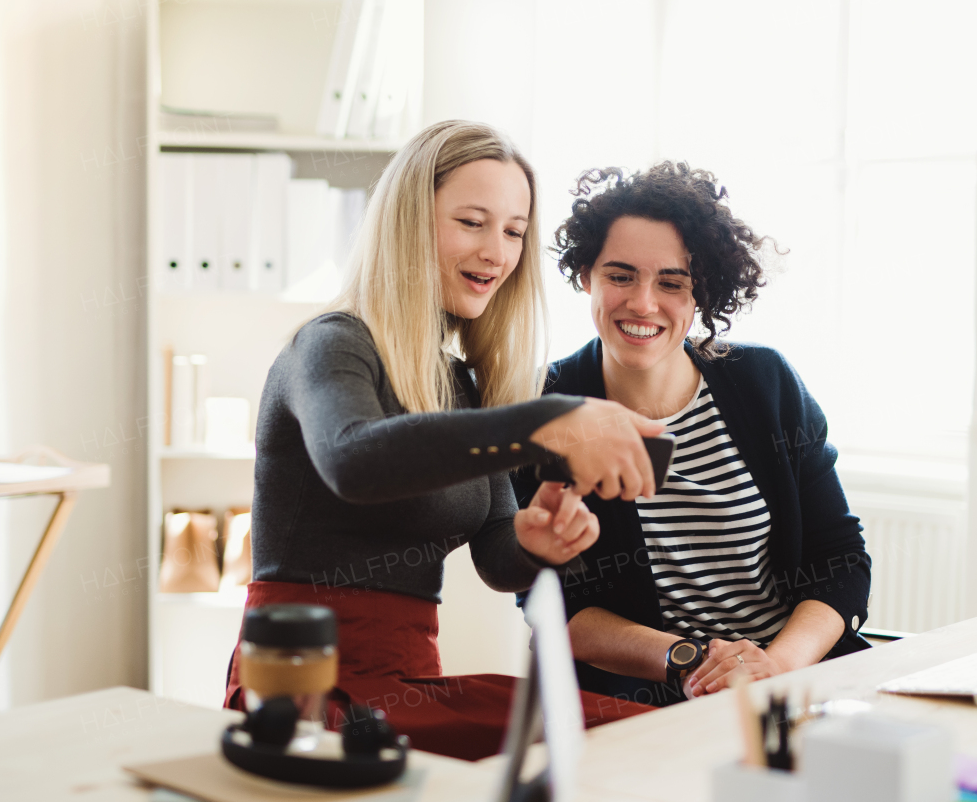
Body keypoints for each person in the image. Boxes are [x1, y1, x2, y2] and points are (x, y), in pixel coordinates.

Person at [222, 122, 664, 761]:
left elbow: (495, 556)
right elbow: (356, 460)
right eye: (473, 222)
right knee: (606, 738)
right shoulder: (330, 344)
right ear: (406, 222)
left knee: (639, 728)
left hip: (409, 683)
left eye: (514, 232)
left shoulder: (458, 382)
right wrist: (546, 420)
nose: (497, 252)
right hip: (308, 692)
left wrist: (538, 542)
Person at [514, 162, 872, 709]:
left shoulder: (765, 384)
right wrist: (693, 660)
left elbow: (840, 560)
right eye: (620, 275)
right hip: (649, 702)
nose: (643, 303)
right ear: (586, 273)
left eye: (671, 283)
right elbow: (555, 606)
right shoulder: (546, 406)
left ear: (700, 291)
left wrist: (773, 665)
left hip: (794, 681)